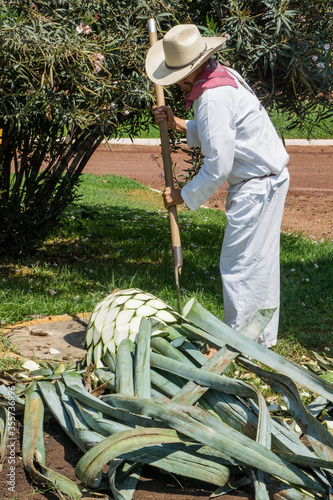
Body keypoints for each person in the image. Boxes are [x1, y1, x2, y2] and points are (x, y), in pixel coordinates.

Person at [145, 24, 290, 348]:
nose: (177, 83)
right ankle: (259, 340)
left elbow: (218, 164)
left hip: (257, 185)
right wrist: (177, 123)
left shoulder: (211, 97)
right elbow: (221, 130)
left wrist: (183, 194)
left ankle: (236, 345)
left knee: (239, 265)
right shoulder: (222, 76)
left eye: (177, 75)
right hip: (268, 178)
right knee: (259, 263)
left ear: (188, 72)